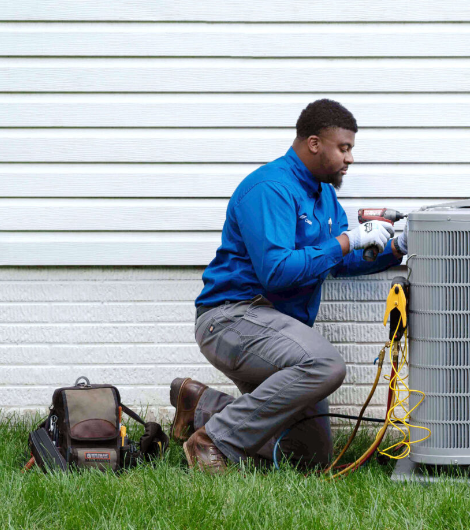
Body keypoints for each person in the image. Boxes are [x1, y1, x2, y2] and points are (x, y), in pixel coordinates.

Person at [170, 99, 409, 473]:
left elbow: (337, 260)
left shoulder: (324, 194)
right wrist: (348, 239)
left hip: (278, 331)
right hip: (233, 318)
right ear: (314, 143)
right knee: (325, 364)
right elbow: (277, 271)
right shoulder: (270, 189)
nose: (349, 159)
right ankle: (212, 440)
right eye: (343, 148)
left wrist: (394, 248)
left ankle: (201, 406)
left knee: (307, 458)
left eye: (351, 150)